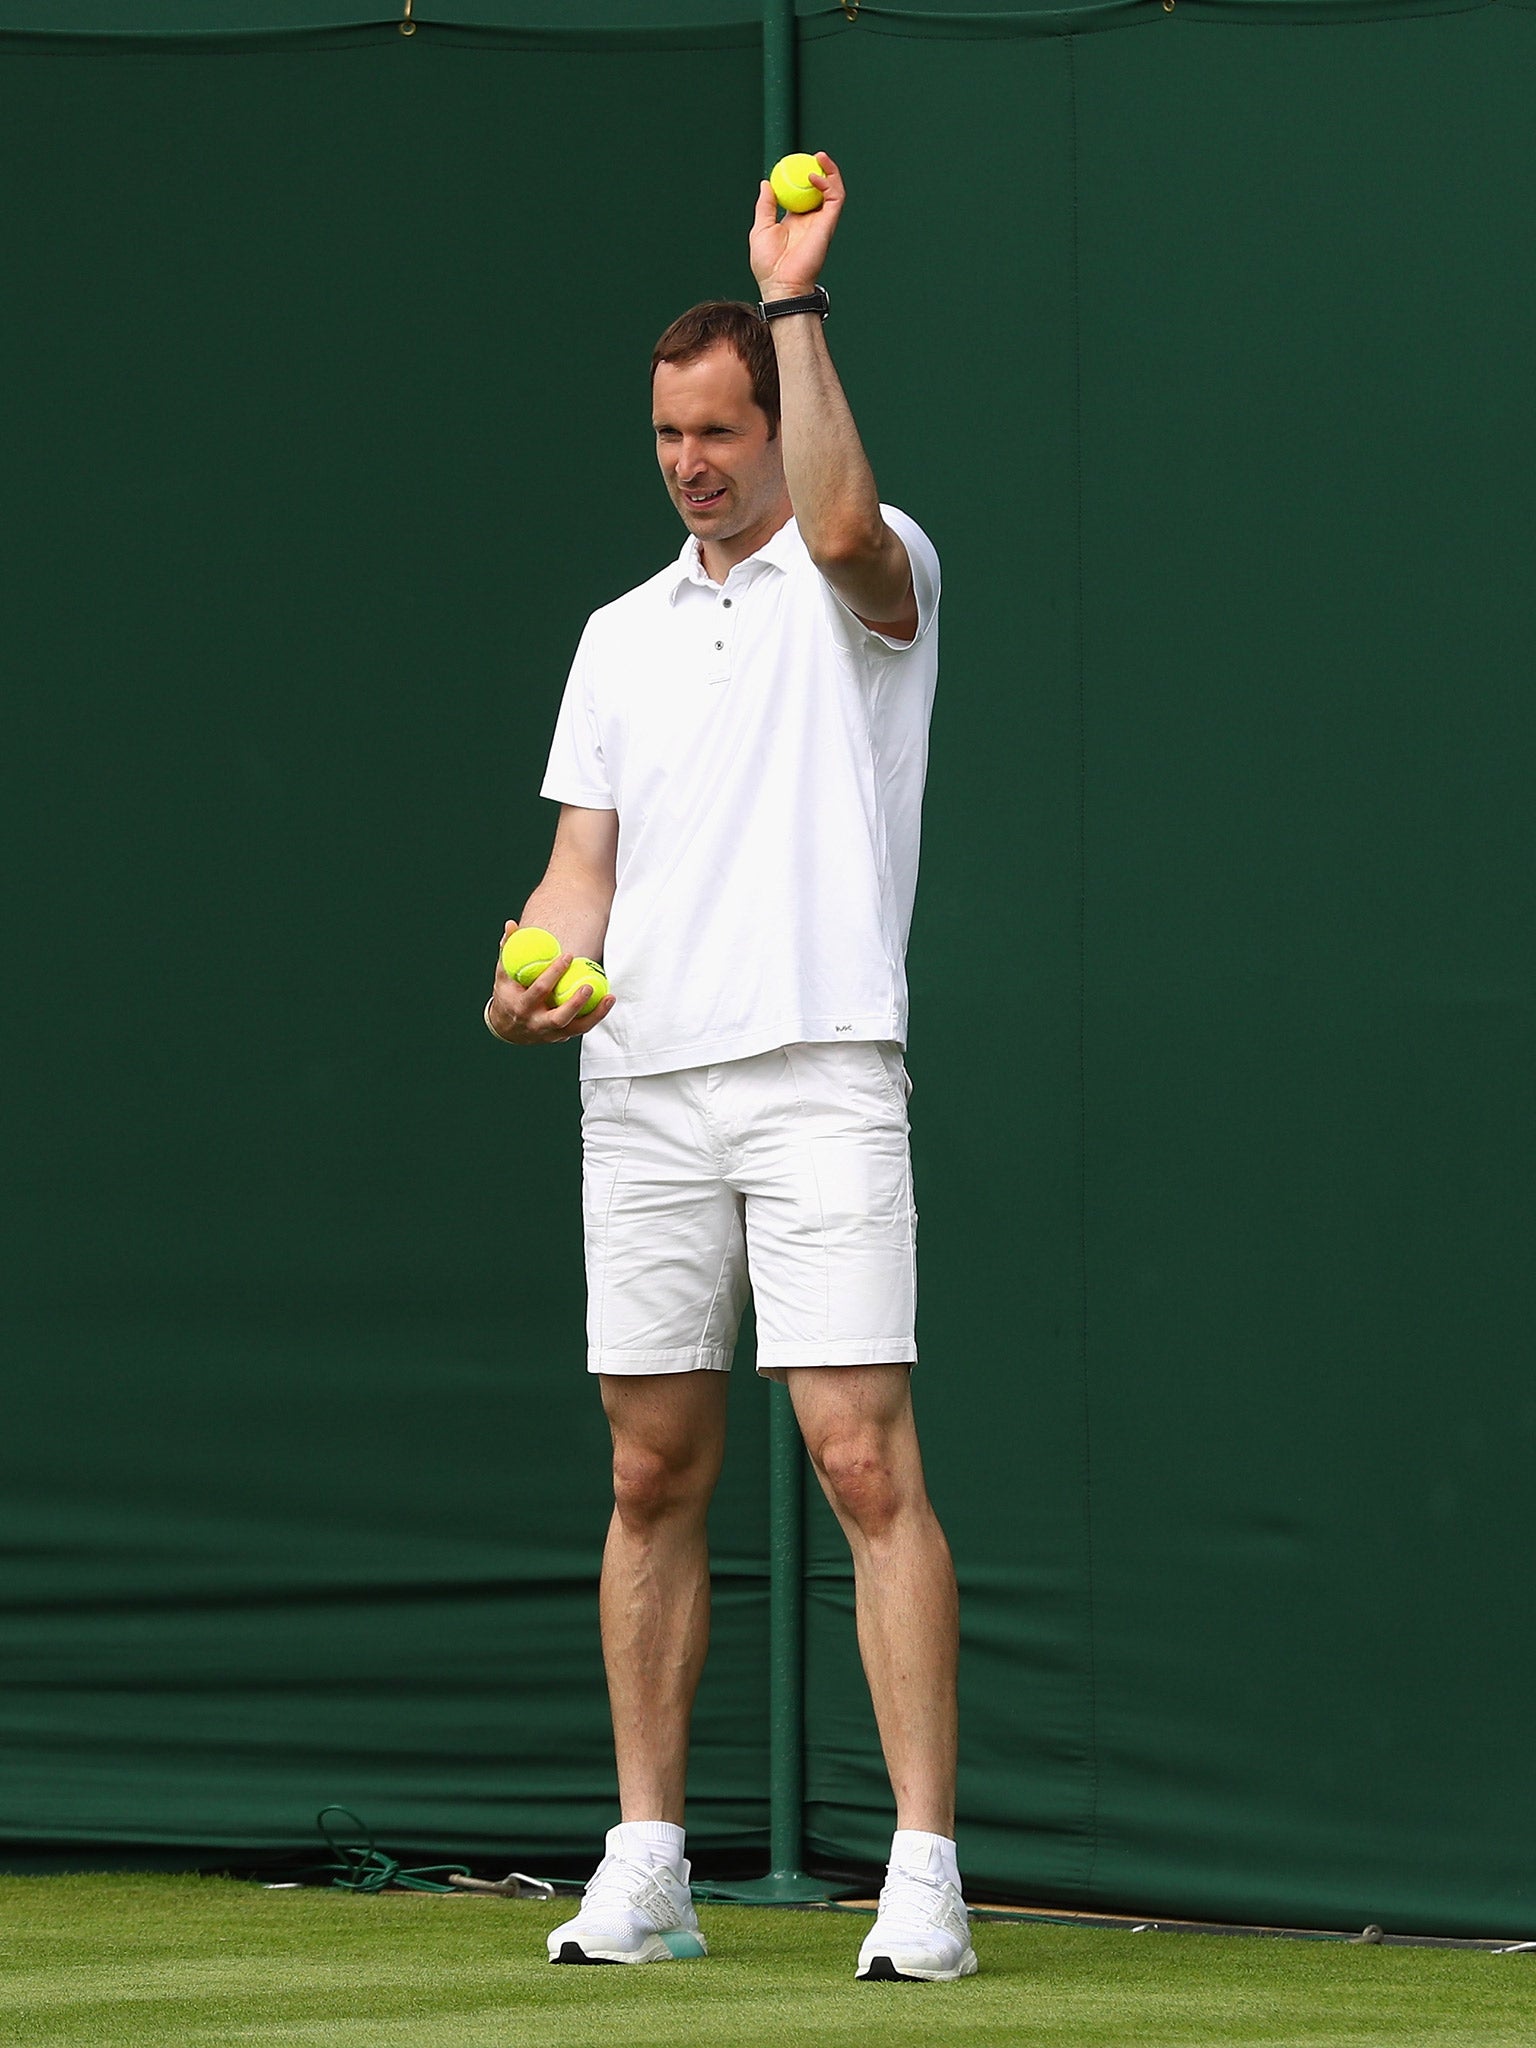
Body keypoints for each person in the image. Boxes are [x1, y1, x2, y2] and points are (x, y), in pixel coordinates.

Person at [483, 153, 973, 1984]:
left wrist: (793, 295)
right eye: (671, 432)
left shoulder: (876, 566)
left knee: (860, 1460)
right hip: (648, 1092)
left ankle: (924, 1871)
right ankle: (651, 1861)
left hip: (825, 1062)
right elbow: (577, 875)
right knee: (646, 1474)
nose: (692, 460)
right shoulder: (615, 637)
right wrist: (530, 984)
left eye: (720, 428)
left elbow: (842, 533)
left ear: (777, 420)